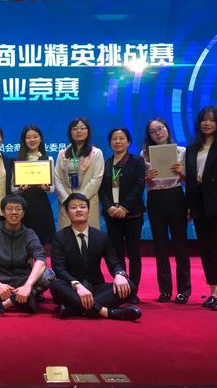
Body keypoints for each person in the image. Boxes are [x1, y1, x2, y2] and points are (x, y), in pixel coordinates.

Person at [50, 193, 141, 320]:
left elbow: (114, 262)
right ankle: (107, 312)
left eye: (82, 207)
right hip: (71, 288)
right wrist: (77, 285)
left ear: (89, 212)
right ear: (67, 213)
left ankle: (73, 309)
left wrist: (119, 274)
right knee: (55, 285)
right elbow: (59, 269)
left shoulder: (101, 236)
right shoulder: (59, 237)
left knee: (129, 286)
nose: (78, 210)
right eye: (74, 207)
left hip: (96, 287)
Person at [185, 105, 217, 311]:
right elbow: (191, 180)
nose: (207, 123)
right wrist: (189, 206)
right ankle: (213, 290)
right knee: (206, 250)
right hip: (198, 205)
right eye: (204, 120)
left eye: (212, 120)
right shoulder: (192, 148)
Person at [0, 194, 55, 315]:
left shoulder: (29, 233)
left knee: (49, 274)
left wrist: (28, 285)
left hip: (23, 281)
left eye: (18, 209)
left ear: (23, 213)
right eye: (9, 209)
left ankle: (1, 304)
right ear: (3, 212)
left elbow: (40, 259)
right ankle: (23, 301)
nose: (14, 212)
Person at [141, 118, 191, 304]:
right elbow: (142, 183)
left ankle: (184, 290)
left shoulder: (181, 151)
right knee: (160, 245)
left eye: (160, 128)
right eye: (153, 131)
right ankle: (165, 290)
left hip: (175, 195)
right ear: (149, 135)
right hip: (155, 198)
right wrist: (147, 178)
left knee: (180, 244)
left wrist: (181, 173)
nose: (158, 133)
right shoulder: (144, 154)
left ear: (167, 129)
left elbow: (188, 180)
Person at [98, 127, 145, 303]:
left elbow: (139, 185)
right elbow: (101, 189)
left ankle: (133, 290)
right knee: (117, 254)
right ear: (110, 143)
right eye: (114, 139)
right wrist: (109, 207)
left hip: (132, 214)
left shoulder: (137, 161)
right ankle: (121, 288)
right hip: (112, 215)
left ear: (128, 142)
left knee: (133, 253)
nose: (118, 142)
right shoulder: (106, 163)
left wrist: (125, 207)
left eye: (121, 138)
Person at [55, 118, 104, 229]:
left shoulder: (96, 153)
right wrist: (67, 201)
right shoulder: (62, 154)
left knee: (89, 236)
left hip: (87, 203)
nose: (79, 131)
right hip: (67, 204)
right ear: (70, 132)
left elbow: (97, 179)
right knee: (67, 237)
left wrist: (80, 201)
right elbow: (57, 179)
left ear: (88, 131)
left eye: (82, 128)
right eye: (75, 129)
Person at [14, 125, 55, 250]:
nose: (32, 140)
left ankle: (42, 261)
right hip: (23, 205)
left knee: (43, 239)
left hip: (41, 204)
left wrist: (47, 188)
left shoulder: (48, 159)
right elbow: (13, 188)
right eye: (28, 137)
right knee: (24, 240)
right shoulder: (18, 160)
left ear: (40, 139)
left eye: (35, 137)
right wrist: (20, 188)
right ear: (24, 140)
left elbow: (53, 187)